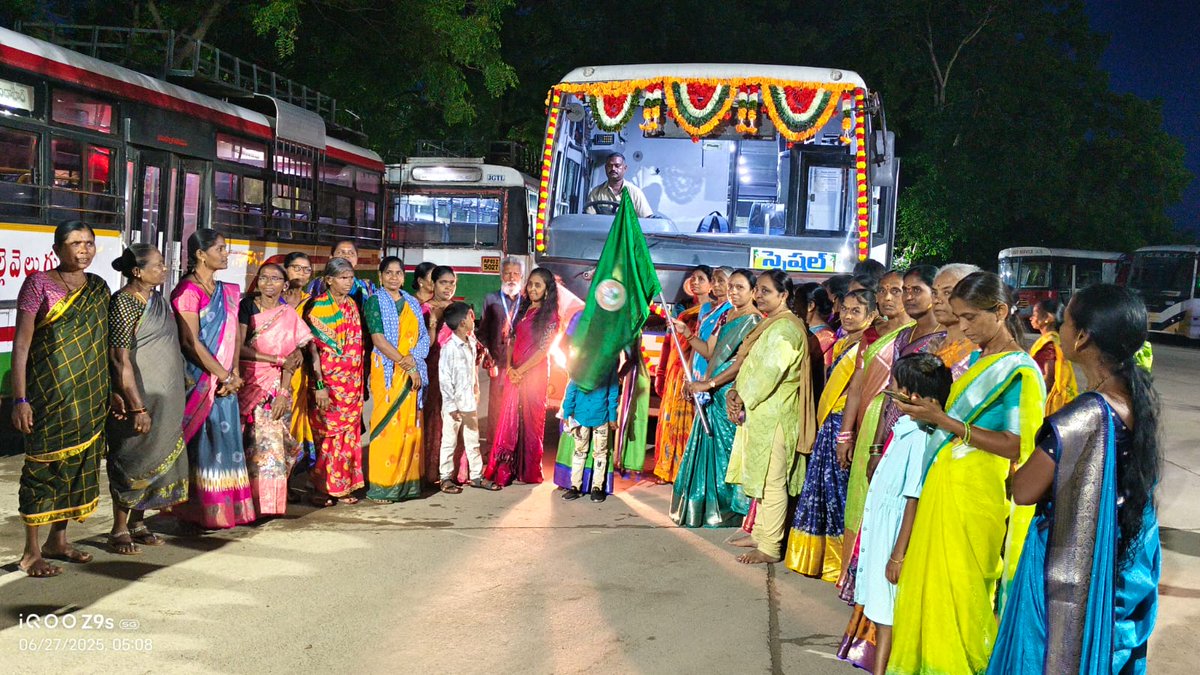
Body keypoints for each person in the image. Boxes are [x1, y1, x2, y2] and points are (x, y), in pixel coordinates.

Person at [989, 284, 1161, 674]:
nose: (1060, 329)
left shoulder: (1083, 416)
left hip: (1068, 566)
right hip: (1120, 558)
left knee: (1050, 656)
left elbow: (1025, 491)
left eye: (1066, 322)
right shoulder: (1137, 401)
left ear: (1082, 337)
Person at [887, 271, 1047, 675]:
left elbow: (1017, 444)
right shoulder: (978, 359)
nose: (963, 328)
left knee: (964, 592)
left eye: (972, 318)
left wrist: (946, 422)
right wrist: (926, 414)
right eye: (959, 318)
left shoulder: (1020, 370)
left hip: (976, 495)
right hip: (945, 485)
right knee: (931, 591)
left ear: (1001, 312)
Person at [12, 221, 109, 576]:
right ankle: (30, 552)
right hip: (49, 395)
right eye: (75, 243)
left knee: (77, 467)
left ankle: (59, 540)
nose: (84, 249)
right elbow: (21, 344)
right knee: (41, 468)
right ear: (57, 248)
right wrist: (20, 399)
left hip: (88, 395)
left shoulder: (98, 288)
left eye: (89, 243)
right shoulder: (39, 283)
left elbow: (101, 347)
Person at [853, 354, 952, 675]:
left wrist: (897, 555)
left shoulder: (921, 438)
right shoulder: (906, 428)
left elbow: (913, 498)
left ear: (912, 396)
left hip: (895, 536)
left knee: (888, 618)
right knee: (883, 614)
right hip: (886, 530)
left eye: (895, 384)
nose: (889, 389)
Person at [785, 289, 878, 581]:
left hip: (843, 427)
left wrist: (846, 435)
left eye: (856, 312)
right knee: (820, 492)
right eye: (845, 309)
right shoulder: (842, 341)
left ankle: (841, 564)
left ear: (872, 316)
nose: (848, 316)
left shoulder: (866, 346)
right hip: (829, 426)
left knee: (839, 493)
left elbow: (858, 392)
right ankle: (817, 558)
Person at [725, 270, 816, 564]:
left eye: (766, 291)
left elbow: (769, 373)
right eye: (758, 291)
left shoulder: (786, 330)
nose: (758, 296)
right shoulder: (772, 325)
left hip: (776, 415)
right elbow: (753, 368)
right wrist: (736, 393)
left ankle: (771, 546)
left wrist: (741, 396)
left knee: (774, 482)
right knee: (763, 481)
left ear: (784, 295)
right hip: (760, 413)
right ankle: (761, 533)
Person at [105, 244, 188, 555]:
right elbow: (118, 358)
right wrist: (135, 404)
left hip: (164, 396)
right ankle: (118, 529)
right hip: (137, 395)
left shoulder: (155, 299)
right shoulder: (125, 303)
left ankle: (138, 523)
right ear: (137, 271)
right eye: (159, 264)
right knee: (132, 457)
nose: (164, 269)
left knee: (155, 456)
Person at [171, 229, 254, 530]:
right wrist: (221, 374)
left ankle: (224, 510)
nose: (225, 254)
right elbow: (190, 342)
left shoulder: (228, 292)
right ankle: (196, 513)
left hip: (226, 381)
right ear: (200, 254)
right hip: (200, 381)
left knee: (225, 442)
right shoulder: (186, 293)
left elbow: (231, 338)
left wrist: (233, 375)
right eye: (219, 249)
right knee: (201, 445)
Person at [671, 268, 762, 527]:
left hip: (730, 391)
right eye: (730, 286)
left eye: (739, 287)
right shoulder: (727, 316)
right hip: (711, 389)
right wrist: (686, 334)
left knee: (727, 451)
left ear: (753, 292)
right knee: (708, 447)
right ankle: (704, 506)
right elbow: (711, 352)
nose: (733, 291)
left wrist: (709, 383)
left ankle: (727, 510)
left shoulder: (754, 321)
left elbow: (739, 365)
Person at [237, 263, 311, 516]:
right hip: (247, 384)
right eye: (264, 278)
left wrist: (283, 392)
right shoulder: (245, 307)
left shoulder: (288, 314)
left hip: (274, 390)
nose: (269, 283)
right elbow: (240, 348)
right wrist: (276, 360)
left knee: (271, 448)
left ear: (285, 284)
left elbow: (294, 357)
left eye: (275, 279)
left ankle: (267, 505)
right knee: (245, 446)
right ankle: (243, 503)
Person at [485, 268, 560, 486]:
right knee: (509, 419)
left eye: (538, 285)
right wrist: (510, 367)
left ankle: (528, 471)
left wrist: (521, 370)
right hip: (514, 371)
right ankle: (508, 467)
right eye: (531, 284)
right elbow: (511, 341)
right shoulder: (524, 310)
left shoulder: (551, 317)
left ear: (547, 290)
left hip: (534, 374)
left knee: (530, 420)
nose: (533, 289)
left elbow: (543, 350)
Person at [363, 257, 429, 502]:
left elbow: (423, 337)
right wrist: (406, 363)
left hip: (411, 368)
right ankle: (382, 485)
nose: (393, 277)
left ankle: (406, 485)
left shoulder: (412, 303)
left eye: (398, 273)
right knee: (386, 426)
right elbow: (379, 340)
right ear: (380, 276)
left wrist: (413, 361)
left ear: (404, 277)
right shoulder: (374, 302)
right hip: (389, 372)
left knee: (409, 428)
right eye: (388, 273)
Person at [304, 258, 366, 506]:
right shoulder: (318, 308)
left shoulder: (351, 305)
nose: (348, 282)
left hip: (352, 386)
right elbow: (313, 353)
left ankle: (343, 486)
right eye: (343, 277)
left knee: (348, 437)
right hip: (328, 386)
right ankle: (321, 488)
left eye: (351, 278)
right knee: (327, 436)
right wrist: (320, 386)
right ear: (329, 280)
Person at [654, 265, 717, 483]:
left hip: (693, 371)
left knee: (688, 421)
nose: (695, 282)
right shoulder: (682, 311)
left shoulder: (713, 312)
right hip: (674, 369)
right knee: (669, 419)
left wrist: (690, 373)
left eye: (701, 278)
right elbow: (669, 343)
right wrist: (661, 371)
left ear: (711, 285)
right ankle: (665, 468)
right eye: (693, 278)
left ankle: (683, 469)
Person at [439, 302, 498, 492]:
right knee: (449, 441)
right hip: (453, 407)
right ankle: (445, 478)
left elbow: (472, 373)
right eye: (471, 317)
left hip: (468, 402)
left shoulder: (471, 342)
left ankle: (476, 476)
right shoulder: (449, 348)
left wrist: (476, 390)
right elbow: (445, 380)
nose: (474, 320)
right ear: (464, 321)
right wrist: (451, 406)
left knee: (473, 440)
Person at [477, 256, 525, 444]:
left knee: (519, 407)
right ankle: (493, 449)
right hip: (498, 361)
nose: (511, 278)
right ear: (501, 276)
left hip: (521, 364)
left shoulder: (527, 301)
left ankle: (514, 450)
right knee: (496, 407)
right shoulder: (491, 299)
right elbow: (483, 332)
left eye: (515, 274)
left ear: (521, 276)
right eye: (507, 274)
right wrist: (488, 357)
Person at [420, 265, 460, 485]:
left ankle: (451, 471)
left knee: (454, 418)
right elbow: (421, 345)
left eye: (452, 283)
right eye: (443, 282)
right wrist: (433, 323)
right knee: (433, 418)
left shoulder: (460, 310)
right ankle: (429, 471)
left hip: (456, 374)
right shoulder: (423, 310)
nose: (448, 287)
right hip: (433, 371)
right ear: (432, 284)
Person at [559, 363, 621, 503]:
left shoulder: (608, 366)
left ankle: (597, 488)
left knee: (600, 453)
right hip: (581, 416)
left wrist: (612, 416)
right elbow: (571, 389)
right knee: (579, 451)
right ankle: (575, 486)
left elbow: (613, 392)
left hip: (601, 417)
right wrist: (567, 412)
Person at [282, 252, 317, 478]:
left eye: (306, 270)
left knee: (295, 422)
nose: (301, 273)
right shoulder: (273, 297)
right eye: (296, 268)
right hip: (273, 369)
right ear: (285, 269)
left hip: (300, 372)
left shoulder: (310, 301)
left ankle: (287, 480)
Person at [928, 263, 980, 377]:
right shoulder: (933, 345)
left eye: (947, 292)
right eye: (934, 293)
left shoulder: (979, 350)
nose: (937, 300)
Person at [1029, 298, 1078, 415]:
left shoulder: (1049, 344)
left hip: (1047, 401)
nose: (1031, 318)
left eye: (1035, 314)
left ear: (1048, 318)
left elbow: (1048, 377)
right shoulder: (1054, 339)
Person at [585, 152, 652, 218]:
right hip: (602, 228)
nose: (613, 169)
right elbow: (589, 220)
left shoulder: (635, 192)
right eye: (609, 166)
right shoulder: (595, 193)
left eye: (617, 166)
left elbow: (647, 219)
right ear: (605, 168)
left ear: (624, 168)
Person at [801, 282, 837, 369]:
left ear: (810, 306)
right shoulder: (805, 327)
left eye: (796, 303)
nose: (793, 308)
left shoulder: (826, 336)